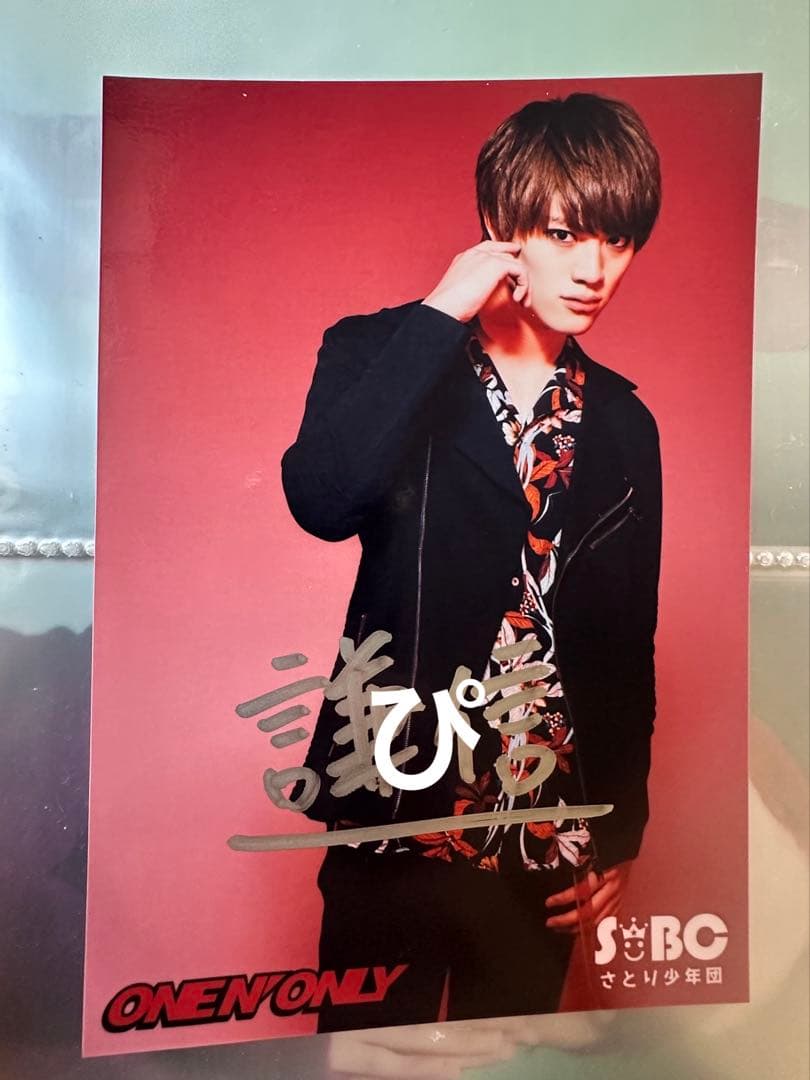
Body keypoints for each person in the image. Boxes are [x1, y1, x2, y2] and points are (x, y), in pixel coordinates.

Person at [281, 92, 663, 1031]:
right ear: (502, 222)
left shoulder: (625, 424)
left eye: (617, 241)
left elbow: (627, 645)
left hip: (545, 832)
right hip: (396, 812)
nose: (594, 270)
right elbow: (322, 500)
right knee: (365, 1061)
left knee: (516, 1062)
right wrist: (440, 313)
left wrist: (619, 830)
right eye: (565, 234)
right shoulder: (377, 352)